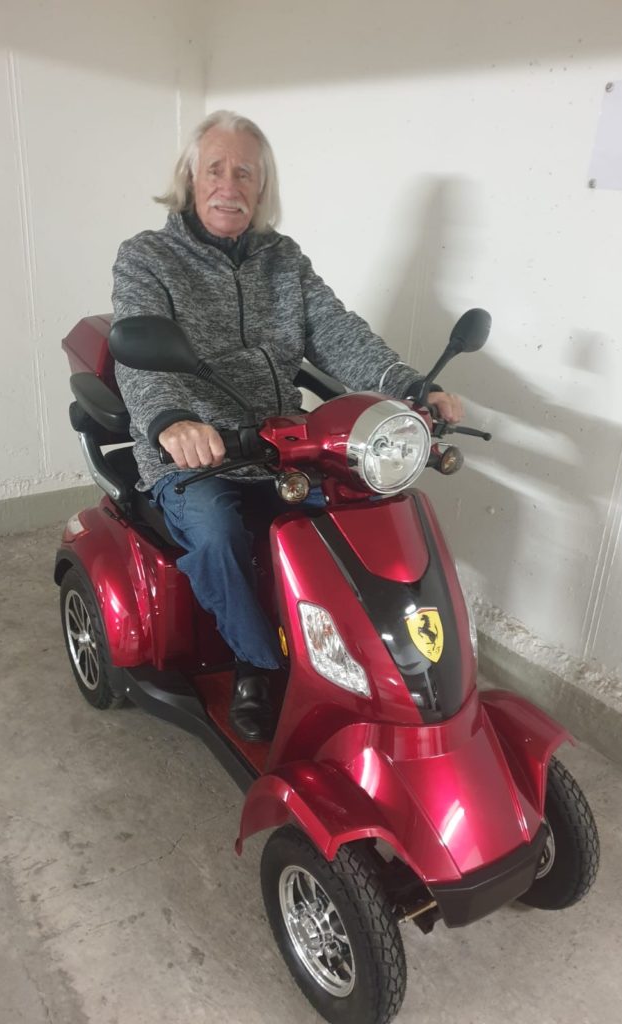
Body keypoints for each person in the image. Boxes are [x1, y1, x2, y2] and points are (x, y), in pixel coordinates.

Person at [112, 110, 463, 742]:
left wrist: (412, 388)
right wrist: (174, 421)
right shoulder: (148, 257)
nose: (229, 185)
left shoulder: (283, 259)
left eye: (244, 173)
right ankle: (258, 666)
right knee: (217, 532)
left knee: (369, 507)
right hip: (196, 451)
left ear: (262, 187)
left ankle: (372, 655)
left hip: (283, 441)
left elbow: (337, 331)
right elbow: (141, 356)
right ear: (190, 178)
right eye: (215, 169)